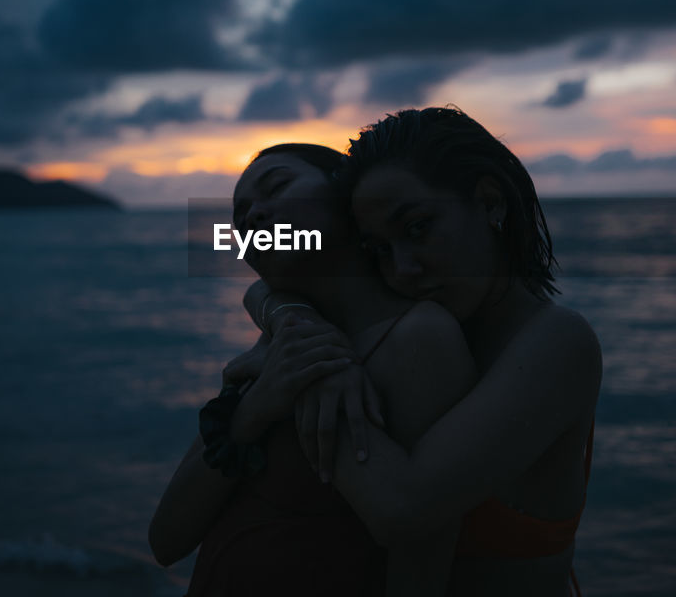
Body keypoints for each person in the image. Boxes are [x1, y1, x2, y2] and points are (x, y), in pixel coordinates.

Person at [249, 107, 603, 596]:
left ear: (489, 201)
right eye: (379, 249)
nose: (403, 268)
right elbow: (271, 290)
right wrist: (292, 316)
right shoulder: (416, 324)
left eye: (417, 228)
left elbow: (403, 511)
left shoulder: (558, 343)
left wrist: (310, 372)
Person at [147, 143, 477, 597]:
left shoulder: (417, 337)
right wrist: (252, 412)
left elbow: (421, 553)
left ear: (352, 197)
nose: (251, 219)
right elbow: (166, 539)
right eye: (239, 214)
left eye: (277, 186)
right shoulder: (275, 347)